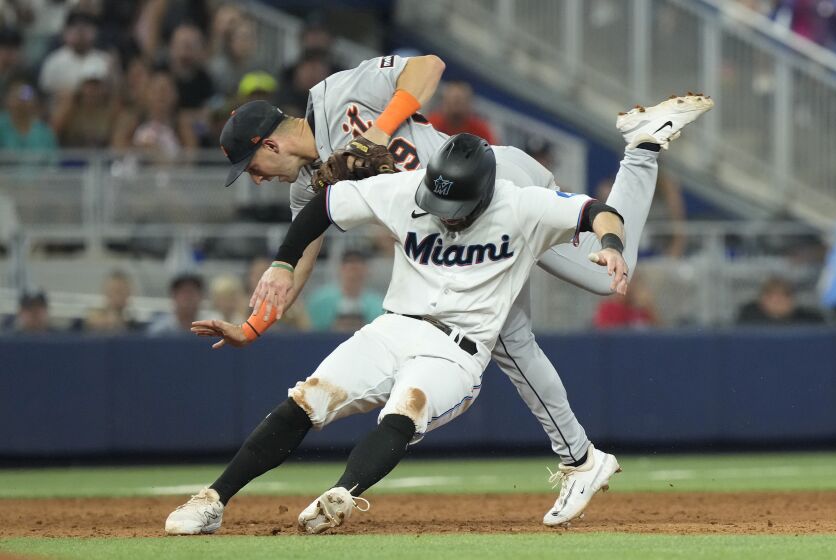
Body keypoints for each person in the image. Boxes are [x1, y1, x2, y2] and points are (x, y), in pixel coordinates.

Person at [211, 55, 712, 526]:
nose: (256, 181)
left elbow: (429, 68)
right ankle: (643, 147)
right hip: (454, 231)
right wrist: (253, 326)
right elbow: (299, 255)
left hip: (492, 190)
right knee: (540, 321)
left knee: (530, 329)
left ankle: (581, 460)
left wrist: (379, 131)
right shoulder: (309, 186)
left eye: (252, 169)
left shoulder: (333, 96)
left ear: (269, 144)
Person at [166, 133, 630, 535]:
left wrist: (610, 246)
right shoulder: (407, 189)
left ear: (486, 192)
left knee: (404, 411)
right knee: (307, 400)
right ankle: (212, 500)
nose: (446, 215)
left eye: (457, 206)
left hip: (456, 351)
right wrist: (284, 262)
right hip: (392, 328)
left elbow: (598, 211)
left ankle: (342, 495)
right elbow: (323, 206)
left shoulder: (522, 204)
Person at [38, 10, 112, 97]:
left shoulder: (105, 60)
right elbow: (45, 92)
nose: (81, 33)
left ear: (95, 33)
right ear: (65, 33)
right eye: (75, 28)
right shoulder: (54, 61)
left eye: (86, 27)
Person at [306, 249, 383, 332]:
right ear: (341, 269)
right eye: (351, 269)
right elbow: (311, 330)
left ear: (366, 271)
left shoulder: (378, 305)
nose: (354, 274)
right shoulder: (320, 301)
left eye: (358, 269)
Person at [428, 81, 498, 145]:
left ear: (468, 104)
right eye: (451, 101)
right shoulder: (432, 124)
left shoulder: (481, 132)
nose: (455, 107)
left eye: (459, 102)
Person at [737, 276, 826, 326]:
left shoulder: (809, 320)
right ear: (762, 299)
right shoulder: (747, 318)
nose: (777, 301)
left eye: (784, 295)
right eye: (771, 296)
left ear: (792, 299)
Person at [0, 78, 57, 151]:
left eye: (25, 96)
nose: (21, 102)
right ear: (7, 100)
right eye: (15, 96)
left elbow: (52, 159)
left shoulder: (44, 133)